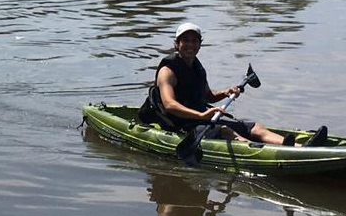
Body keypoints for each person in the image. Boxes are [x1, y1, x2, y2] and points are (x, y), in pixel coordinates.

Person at [139, 22, 326, 147]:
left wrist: (226, 92)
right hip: (179, 123)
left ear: (200, 44)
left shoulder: (197, 67)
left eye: (194, 41)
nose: (190, 45)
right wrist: (201, 115)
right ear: (177, 44)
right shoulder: (168, 71)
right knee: (225, 130)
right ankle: (261, 150)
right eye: (185, 41)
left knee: (255, 127)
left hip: (202, 117)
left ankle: (299, 147)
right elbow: (170, 105)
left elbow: (207, 96)